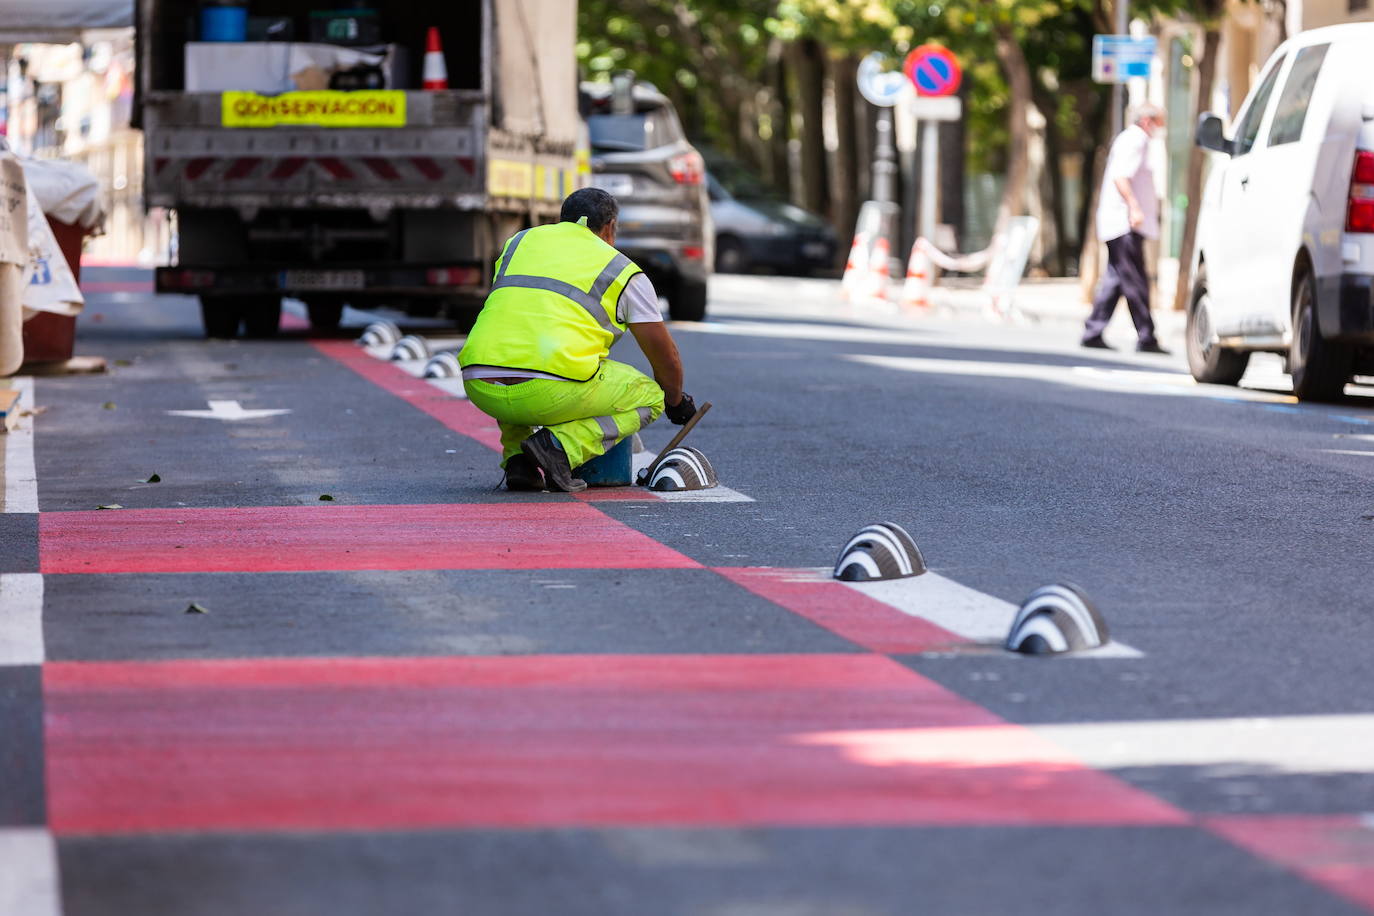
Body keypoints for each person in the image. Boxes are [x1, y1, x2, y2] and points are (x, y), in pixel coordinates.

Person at [459, 188, 696, 493]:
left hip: (480, 381)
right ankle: (560, 448)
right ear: (610, 227)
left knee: (515, 354)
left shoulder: (519, 243)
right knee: (650, 396)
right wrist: (675, 401)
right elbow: (666, 359)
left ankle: (519, 461)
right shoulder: (621, 269)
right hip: (547, 388)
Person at [1082, 103, 1168, 354]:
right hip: (1125, 223)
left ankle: (1093, 330)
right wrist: (1134, 208)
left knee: (1116, 279)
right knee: (1135, 280)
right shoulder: (1136, 140)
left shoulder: (1130, 139)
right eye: (1159, 121)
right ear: (1147, 121)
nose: (1161, 127)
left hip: (1120, 223)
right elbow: (1121, 176)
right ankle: (1146, 336)